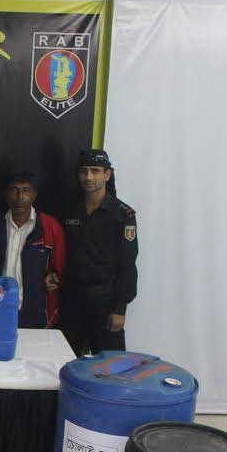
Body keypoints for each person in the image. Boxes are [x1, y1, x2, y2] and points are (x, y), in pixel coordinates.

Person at [59, 149, 138, 355]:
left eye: (95, 171)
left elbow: (128, 264)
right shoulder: (68, 209)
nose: (88, 177)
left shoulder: (123, 214)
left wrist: (120, 309)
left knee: (110, 367)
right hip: (71, 301)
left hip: (105, 303)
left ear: (107, 174)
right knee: (64, 362)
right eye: (84, 171)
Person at [0, 172, 66, 328]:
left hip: (36, 312)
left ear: (34, 195)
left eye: (26, 191)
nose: (20, 197)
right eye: (14, 190)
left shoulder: (50, 228)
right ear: (6, 194)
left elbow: (59, 270)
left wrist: (54, 279)